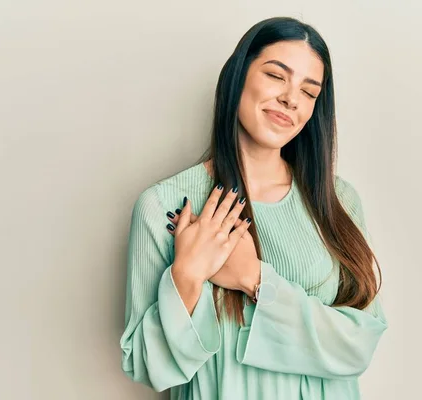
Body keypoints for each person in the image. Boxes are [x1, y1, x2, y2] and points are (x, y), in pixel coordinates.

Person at [119, 16, 388, 400]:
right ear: (239, 76)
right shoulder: (165, 205)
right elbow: (147, 365)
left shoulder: (339, 201)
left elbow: (359, 344)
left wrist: (254, 279)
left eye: (309, 92)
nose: (291, 98)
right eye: (277, 76)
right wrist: (188, 274)